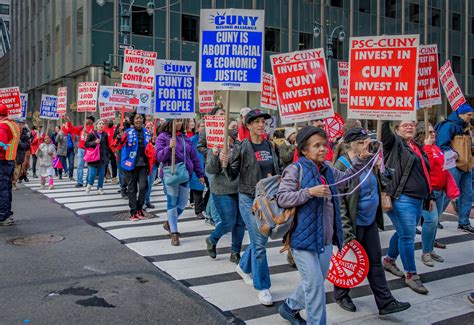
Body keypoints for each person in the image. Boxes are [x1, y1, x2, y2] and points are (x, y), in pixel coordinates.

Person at [276, 126, 373, 324]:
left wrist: (361, 158)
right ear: (304, 149)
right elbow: (282, 198)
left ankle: (290, 306)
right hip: (302, 241)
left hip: (326, 240)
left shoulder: (328, 169)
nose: (322, 149)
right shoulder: (295, 169)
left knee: (315, 282)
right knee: (315, 288)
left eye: (324, 144)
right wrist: (309, 192)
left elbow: (347, 180)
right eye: (316, 145)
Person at [331, 128, 410, 315]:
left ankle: (385, 302)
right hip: (353, 223)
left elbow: (380, 185)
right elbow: (340, 201)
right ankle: (341, 294)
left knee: (375, 262)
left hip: (369, 222)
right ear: (352, 144)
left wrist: (383, 169)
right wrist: (346, 230)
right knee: (348, 263)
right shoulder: (342, 166)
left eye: (368, 141)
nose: (367, 145)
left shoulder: (368, 160)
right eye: (362, 142)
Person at [222, 109, 280, 306]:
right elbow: (231, 174)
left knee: (259, 240)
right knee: (260, 242)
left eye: (262, 122)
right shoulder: (242, 147)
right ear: (247, 125)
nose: (260, 125)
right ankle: (262, 286)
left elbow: (275, 169)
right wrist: (224, 162)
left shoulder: (270, 145)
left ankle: (243, 266)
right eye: (255, 122)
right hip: (248, 198)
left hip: (266, 200)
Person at [381, 120, 433, 295]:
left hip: (419, 199)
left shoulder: (416, 146)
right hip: (401, 199)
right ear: (396, 129)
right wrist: (386, 114)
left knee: (403, 232)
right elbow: (384, 135)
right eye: (404, 125)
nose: (409, 127)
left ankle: (388, 260)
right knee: (407, 237)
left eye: (411, 124)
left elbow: (425, 173)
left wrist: (430, 195)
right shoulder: (394, 143)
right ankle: (411, 275)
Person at [156, 118, 205, 246]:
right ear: (169, 122)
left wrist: (200, 174)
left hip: (184, 175)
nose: (178, 124)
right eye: (176, 121)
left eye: (180, 121)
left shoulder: (185, 138)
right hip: (170, 175)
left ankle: (169, 222)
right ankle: (174, 233)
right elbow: (159, 157)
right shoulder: (162, 137)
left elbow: (193, 157)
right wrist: (168, 148)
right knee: (172, 203)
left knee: (182, 203)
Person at [416, 122, 455, 265]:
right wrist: (427, 148)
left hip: (440, 191)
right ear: (421, 134)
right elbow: (427, 166)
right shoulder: (422, 149)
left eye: (434, 132)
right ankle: (426, 252)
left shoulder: (436, 147)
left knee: (434, 222)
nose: (434, 134)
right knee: (431, 221)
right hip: (428, 193)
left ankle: (430, 249)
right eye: (430, 132)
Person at [205, 121, 244, 264]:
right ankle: (212, 239)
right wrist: (216, 156)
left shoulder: (240, 145)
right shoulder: (214, 147)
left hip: (240, 188)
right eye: (231, 128)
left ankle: (235, 252)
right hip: (222, 189)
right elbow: (210, 170)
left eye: (236, 128)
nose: (234, 130)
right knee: (229, 221)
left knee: (240, 223)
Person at [435, 103, 473, 233]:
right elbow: (441, 144)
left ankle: (464, 222)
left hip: (466, 164)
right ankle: (434, 219)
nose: (470, 117)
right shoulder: (449, 126)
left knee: (468, 194)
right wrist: (453, 154)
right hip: (453, 164)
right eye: (468, 115)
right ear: (460, 114)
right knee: (448, 193)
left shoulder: (466, 127)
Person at [115, 113, 154, 221]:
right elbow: (117, 145)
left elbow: (150, 146)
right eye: (137, 118)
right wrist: (119, 136)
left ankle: (139, 208)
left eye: (141, 118)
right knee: (132, 188)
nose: (139, 120)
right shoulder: (127, 132)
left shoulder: (147, 132)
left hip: (143, 164)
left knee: (143, 187)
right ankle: (133, 211)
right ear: (133, 120)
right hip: (130, 164)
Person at [0, 104, 20, 226]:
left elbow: (1, 144)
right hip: (9, 160)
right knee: (6, 188)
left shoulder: (2, 125)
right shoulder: (12, 124)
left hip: (2, 160)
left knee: (2, 189)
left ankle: (3, 216)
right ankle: (7, 214)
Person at [67, 116, 95, 187]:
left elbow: (95, 138)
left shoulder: (94, 129)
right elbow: (72, 129)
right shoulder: (82, 128)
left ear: (91, 121)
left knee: (90, 166)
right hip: (81, 149)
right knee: (80, 166)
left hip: (89, 150)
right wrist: (69, 121)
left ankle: (88, 182)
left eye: (88, 119)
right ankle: (80, 182)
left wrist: (88, 132)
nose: (86, 120)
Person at [189, 120, 208, 219]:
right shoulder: (192, 140)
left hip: (208, 166)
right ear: (197, 128)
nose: (204, 128)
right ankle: (198, 210)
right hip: (197, 167)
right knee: (198, 189)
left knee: (210, 189)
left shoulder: (210, 139)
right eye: (202, 126)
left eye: (206, 126)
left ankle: (204, 205)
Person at [85, 120, 109, 195]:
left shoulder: (105, 134)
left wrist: (107, 155)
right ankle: (89, 184)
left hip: (102, 157)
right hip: (94, 158)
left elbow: (107, 145)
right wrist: (94, 142)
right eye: (100, 123)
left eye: (103, 124)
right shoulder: (92, 134)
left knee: (102, 174)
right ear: (96, 125)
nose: (102, 125)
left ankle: (100, 188)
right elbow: (86, 144)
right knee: (92, 174)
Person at [12, 122, 31, 190]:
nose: (20, 126)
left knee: (17, 170)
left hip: (19, 154)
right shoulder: (12, 131)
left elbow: (27, 145)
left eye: (21, 124)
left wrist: (19, 143)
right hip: (10, 154)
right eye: (18, 124)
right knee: (10, 169)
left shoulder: (25, 135)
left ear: (23, 125)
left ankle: (14, 183)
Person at [144, 121, 157, 209]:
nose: (150, 129)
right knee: (145, 184)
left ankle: (147, 200)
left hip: (154, 164)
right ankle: (143, 200)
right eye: (148, 127)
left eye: (151, 127)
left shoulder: (157, 138)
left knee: (150, 183)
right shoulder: (144, 137)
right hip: (145, 164)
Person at [104, 119, 118, 185]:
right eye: (109, 120)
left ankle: (114, 178)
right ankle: (104, 177)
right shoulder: (104, 129)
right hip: (106, 149)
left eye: (111, 120)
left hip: (113, 149)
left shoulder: (115, 128)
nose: (110, 122)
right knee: (105, 163)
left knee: (114, 164)